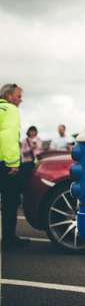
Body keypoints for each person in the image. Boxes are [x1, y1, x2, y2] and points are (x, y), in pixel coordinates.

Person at [0, 83, 29, 248]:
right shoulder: (10, 110)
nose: (20, 100)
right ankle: (9, 240)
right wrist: (13, 163)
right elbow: (8, 137)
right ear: (9, 96)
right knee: (11, 201)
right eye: (18, 96)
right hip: (5, 164)